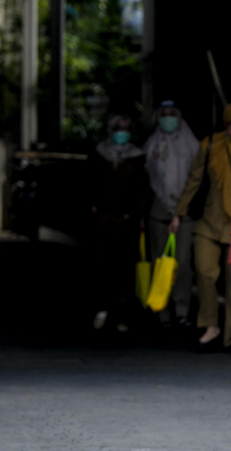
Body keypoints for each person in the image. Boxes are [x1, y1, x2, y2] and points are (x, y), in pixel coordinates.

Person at [170, 102, 231, 352]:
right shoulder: (209, 144)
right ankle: (211, 326)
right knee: (204, 272)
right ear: (226, 125)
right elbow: (194, 180)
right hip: (210, 222)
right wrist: (179, 213)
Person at [90, 114, 151, 333]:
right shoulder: (100, 154)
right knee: (102, 265)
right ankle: (102, 308)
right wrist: (95, 209)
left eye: (125, 129)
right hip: (104, 221)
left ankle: (122, 314)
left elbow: (144, 191)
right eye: (118, 128)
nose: (121, 133)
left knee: (125, 268)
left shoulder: (137, 157)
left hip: (127, 222)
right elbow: (90, 183)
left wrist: (132, 214)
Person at [144, 100, 200, 328]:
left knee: (183, 262)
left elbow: (197, 177)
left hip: (184, 211)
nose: (168, 118)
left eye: (172, 114)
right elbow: (147, 179)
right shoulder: (152, 143)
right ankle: (162, 308)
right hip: (159, 211)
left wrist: (180, 207)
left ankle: (182, 309)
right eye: (163, 114)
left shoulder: (191, 143)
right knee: (160, 259)